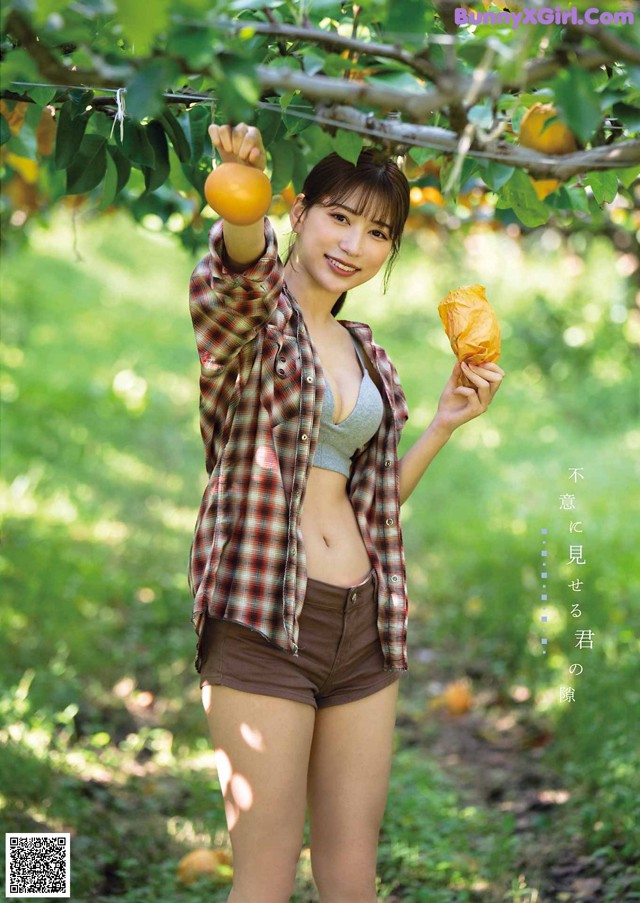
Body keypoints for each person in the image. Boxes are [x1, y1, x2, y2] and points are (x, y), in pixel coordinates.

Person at [187, 121, 504, 903]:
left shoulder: (364, 350)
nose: (354, 244)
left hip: (362, 622)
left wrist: (440, 424)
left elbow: (371, 506)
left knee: (352, 879)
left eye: (377, 232)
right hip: (264, 616)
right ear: (298, 213)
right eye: (338, 216)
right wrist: (240, 195)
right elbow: (239, 268)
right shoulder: (251, 323)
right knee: (263, 881)